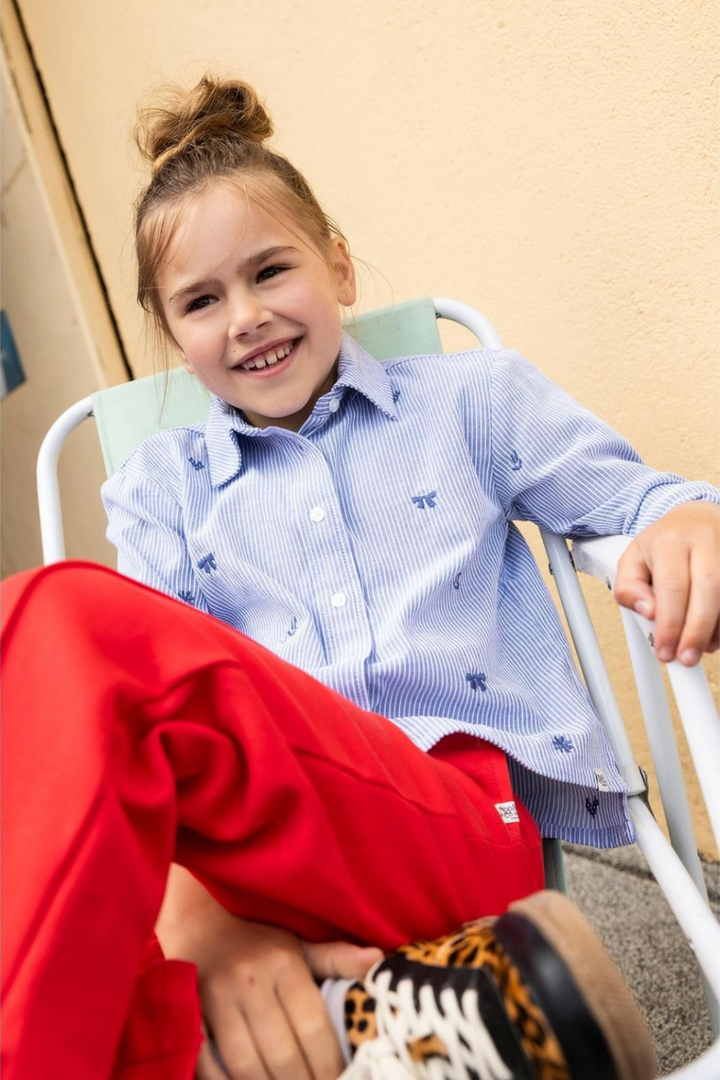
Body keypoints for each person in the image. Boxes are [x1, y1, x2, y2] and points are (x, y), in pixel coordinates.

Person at [4, 73, 717, 1080]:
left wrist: (689, 519)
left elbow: (638, 501)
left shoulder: (466, 401)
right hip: (262, 871)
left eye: (270, 271)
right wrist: (202, 920)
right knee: (54, 662)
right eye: (202, 300)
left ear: (339, 267)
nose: (244, 315)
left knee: (57, 620)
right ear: (175, 338)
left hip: (453, 815)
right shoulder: (161, 488)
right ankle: (369, 1027)